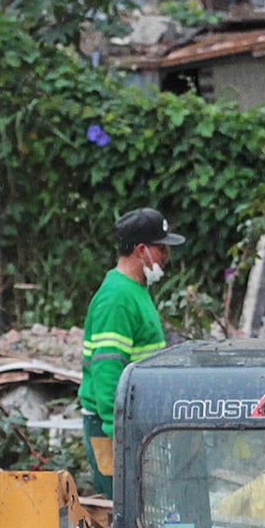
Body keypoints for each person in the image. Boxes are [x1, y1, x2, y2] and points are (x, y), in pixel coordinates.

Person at [79, 207, 180, 496]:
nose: (166, 256)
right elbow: (107, 370)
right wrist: (118, 431)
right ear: (141, 250)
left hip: (133, 422)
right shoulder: (116, 299)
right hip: (114, 429)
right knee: (123, 512)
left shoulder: (135, 290)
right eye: (161, 248)